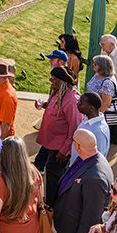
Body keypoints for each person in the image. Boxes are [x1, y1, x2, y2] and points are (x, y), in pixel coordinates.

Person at [51, 129, 114, 233]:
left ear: (77, 145)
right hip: (69, 226)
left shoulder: (95, 177)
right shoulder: (87, 159)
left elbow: (92, 213)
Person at [37, 66, 83, 206]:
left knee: (54, 175)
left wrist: (64, 151)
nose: (50, 80)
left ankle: (53, 205)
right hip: (53, 143)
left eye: (53, 78)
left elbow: (75, 128)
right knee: (52, 173)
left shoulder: (72, 100)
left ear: (62, 81)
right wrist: (45, 105)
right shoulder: (59, 93)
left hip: (60, 148)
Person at [74, 92, 110, 163]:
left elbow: (97, 160)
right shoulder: (87, 119)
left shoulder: (98, 132)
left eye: (81, 103)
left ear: (91, 108)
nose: (77, 104)